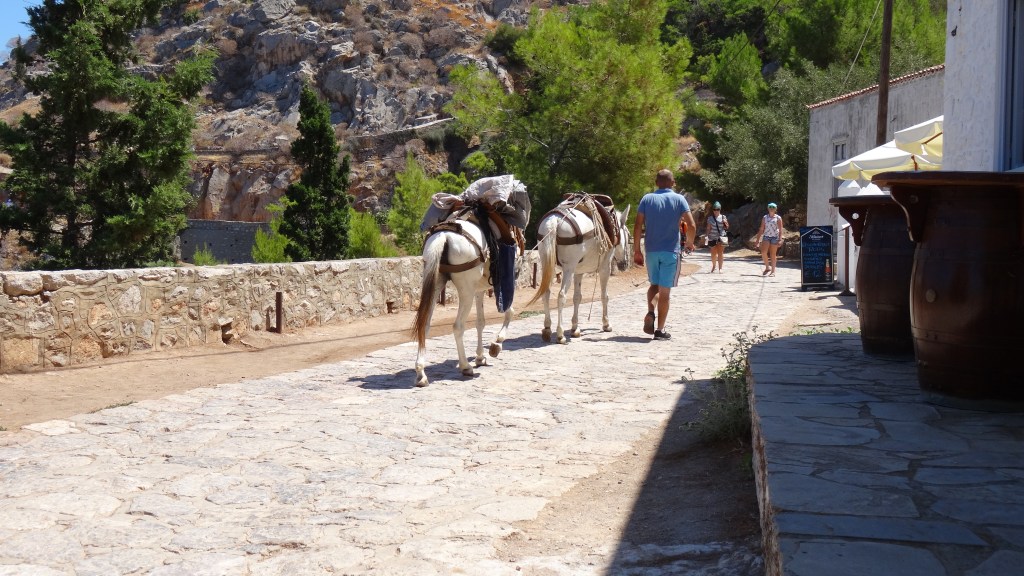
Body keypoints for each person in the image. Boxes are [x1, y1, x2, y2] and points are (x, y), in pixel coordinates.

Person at [633, 169, 697, 340]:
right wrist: (690, 243)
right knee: (665, 291)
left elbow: (638, 225)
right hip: (671, 251)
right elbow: (691, 225)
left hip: (652, 250)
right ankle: (659, 330)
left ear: (656, 183)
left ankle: (650, 312)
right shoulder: (679, 199)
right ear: (672, 183)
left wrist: (637, 250)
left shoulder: (647, 199)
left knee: (654, 285)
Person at [755, 202, 785, 277]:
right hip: (766, 236)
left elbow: (781, 229)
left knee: (773, 254)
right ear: (768, 208)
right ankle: (767, 267)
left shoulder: (778, 218)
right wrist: (757, 240)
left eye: (773, 207)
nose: (771, 209)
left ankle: (773, 271)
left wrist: (780, 239)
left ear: (775, 209)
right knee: (763, 252)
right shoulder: (765, 217)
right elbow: (761, 228)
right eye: (770, 207)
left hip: (775, 237)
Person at [704, 201, 729, 273]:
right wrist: (706, 236)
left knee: (720, 252)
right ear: (713, 210)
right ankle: (714, 265)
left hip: (722, 237)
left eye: (717, 209)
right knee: (713, 253)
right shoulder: (710, 218)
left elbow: (727, 227)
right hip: (712, 237)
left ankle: (720, 268)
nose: (716, 211)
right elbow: (708, 228)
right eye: (714, 209)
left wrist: (725, 222)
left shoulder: (724, 217)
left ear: (720, 209)